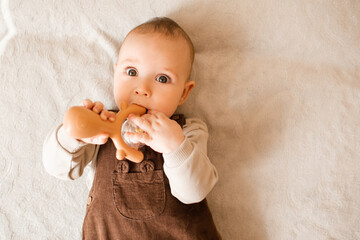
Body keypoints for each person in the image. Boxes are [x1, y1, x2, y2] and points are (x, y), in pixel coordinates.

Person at [43, 17, 221, 239]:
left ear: (184, 93)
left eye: (162, 78)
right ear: (115, 73)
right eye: (132, 72)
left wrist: (175, 147)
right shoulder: (102, 126)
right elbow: (56, 168)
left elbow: (194, 192)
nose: (142, 88)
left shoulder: (188, 132)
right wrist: (75, 136)